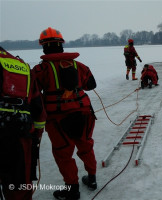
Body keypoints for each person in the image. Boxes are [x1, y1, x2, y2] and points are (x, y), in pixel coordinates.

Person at [32, 27, 97, 200]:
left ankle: (72, 189)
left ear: (44, 46)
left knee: (63, 153)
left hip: (57, 118)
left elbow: (33, 94)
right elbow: (91, 85)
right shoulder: (79, 66)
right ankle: (92, 178)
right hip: (83, 112)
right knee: (85, 144)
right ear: (61, 44)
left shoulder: (40, 69)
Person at [0, 46, 46, 200]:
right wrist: (37, 134)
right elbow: (37, 106)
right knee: (19, 183)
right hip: (20, 130)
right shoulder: (20, 65)